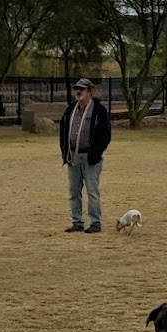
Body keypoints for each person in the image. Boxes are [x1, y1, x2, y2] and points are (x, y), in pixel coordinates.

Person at [58, 78, 111, 234]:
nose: (78, 92)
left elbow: (105, 135)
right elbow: (62, 132)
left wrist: (95, 153)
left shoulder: (99, 110)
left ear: (89, 91)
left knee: (92, 191)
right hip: (73, 156)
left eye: (82, 89)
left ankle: (95, 222)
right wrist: (65, 152)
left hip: (90, 158)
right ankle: (77, 221)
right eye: (77, 89)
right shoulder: (70, 110)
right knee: (74, 191)